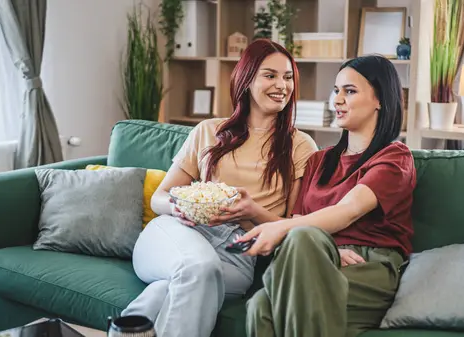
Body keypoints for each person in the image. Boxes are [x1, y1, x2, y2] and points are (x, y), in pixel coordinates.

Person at [120, 39, 318, 337]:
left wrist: (251, 212)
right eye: (270, 75)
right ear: (246, 79)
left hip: (237, 252)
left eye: (288, 77)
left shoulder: (300, 146)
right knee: (196, 267)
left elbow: (294, 228)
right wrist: (179, 207)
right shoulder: (209, 131)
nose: (282, 85)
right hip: (178, 232)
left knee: (170, 287)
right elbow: (161, 197)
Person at [240, 54, 417, 337]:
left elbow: (349, 210)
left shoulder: (395, 157)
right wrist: (322, 248)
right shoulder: (318, 161)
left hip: (369, 266)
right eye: (336, 90)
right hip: (318, 256)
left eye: (350, 91)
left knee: (300, 240)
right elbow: (300, 222)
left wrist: (287, 231)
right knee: (259, 304)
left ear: (379, 99)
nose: (337, 100)